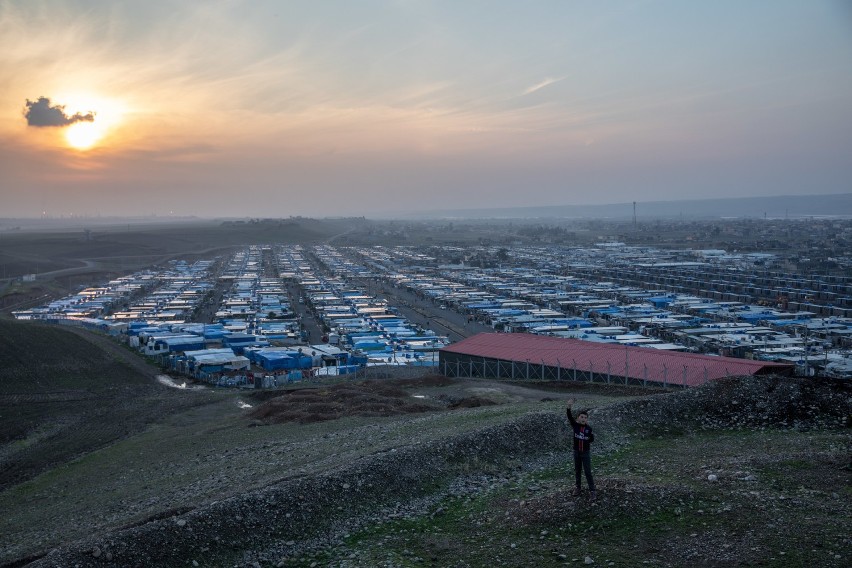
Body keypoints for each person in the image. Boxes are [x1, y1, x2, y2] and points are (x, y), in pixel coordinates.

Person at [566, 398, 596, 501]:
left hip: (585, 453)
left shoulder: (589, 429)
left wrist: (589, 438)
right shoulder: (575, 425)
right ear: (578, 418)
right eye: (581, 417)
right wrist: (569, 406)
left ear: (587, 419)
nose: (583, 419)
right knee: (577, 471)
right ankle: (578, 488)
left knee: (588, 472)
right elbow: (569, 417)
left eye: (585, 417)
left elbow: (591, 439)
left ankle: (592, 491)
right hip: (576, 452)